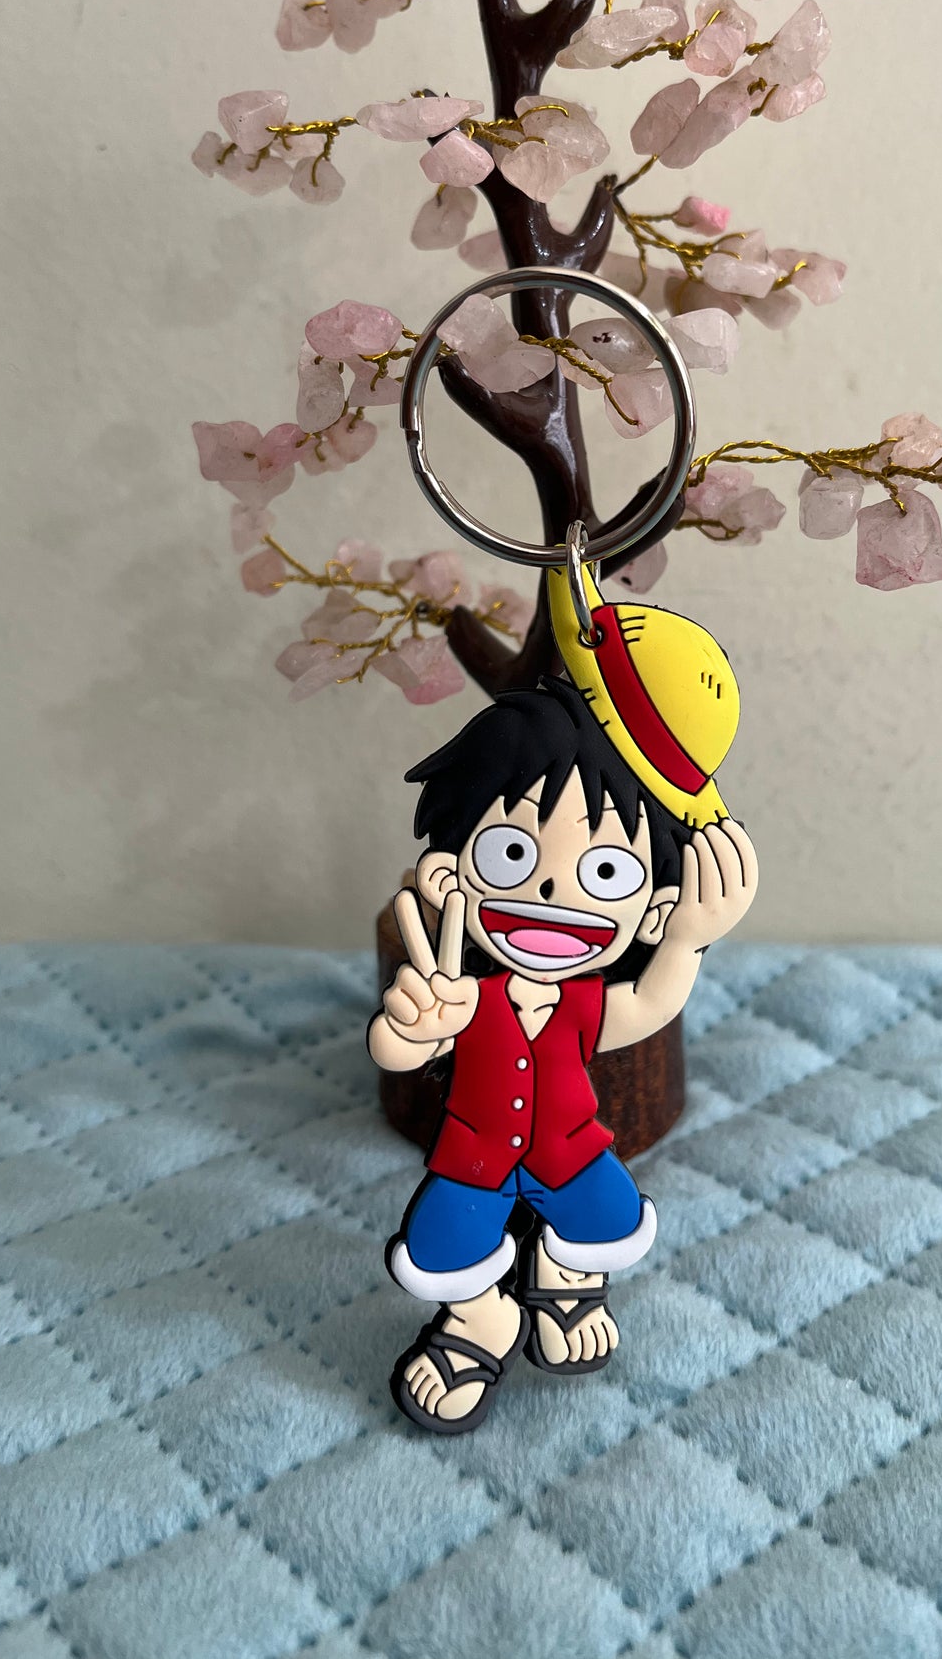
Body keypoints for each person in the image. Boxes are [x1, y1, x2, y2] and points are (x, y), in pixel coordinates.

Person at [370, 590, 757, 1431]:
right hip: (470, 1163)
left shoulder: (585, 996)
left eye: (606, 872)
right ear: (445, 873)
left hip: (572, 1154)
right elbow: (400, 1054)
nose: (551, 890)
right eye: (511, 852)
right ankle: (479, 1317)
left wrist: (688, 940)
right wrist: (407, 1027)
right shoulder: (466, 996)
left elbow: (647, 1003)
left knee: (603, 1216)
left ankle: (568, 1278)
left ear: (650, 907)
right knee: (443, 1242)